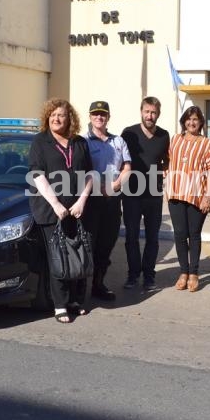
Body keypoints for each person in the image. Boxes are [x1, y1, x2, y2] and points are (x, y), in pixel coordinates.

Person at [28, 98, 93, 324]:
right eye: (53, 115)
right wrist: (56, 204)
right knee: (57, 257)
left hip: (77, 209)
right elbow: (37, 175)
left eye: (61, 115)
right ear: (48, 117)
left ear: (70, 119)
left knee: (78, 253)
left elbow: (89, 175)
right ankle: (59, 304)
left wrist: (82, 201)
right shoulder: (40, 142)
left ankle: (75, 300)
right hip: (49, 211)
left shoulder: (79, 143)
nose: (56, 118)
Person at [83, 100, 131, 301]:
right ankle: (80, 288)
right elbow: (81, 169)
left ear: (108, 117)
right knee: (89, 244)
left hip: (112, 199)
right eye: (95, 114)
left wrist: (116, 185)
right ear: (90, 117)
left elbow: (127, 167)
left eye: (103, 114)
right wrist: (98, 187)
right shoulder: (83, 141)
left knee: (107, 244)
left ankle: (98, 284)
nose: (99, 117)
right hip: (91, 200)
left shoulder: (118, 141)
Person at [121, 97, 170, 291]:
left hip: (153, 195)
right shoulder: (128, 133)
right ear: (141, 111)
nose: (150, 116)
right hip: (131, 194)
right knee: (131, 237)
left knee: (152, 237)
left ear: (158, 114)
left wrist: (163, 172)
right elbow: (120, 160)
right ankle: (133, 275)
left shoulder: (164, 136)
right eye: (147, 112)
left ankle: (149, 276)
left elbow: (167, 160)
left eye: (153, 113)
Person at [165, 106, 210, 292]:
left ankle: (194, 273)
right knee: (179, 235)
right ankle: (183, 272)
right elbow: (167, 162)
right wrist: (166, 182)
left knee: (193, 235)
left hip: (197, 195)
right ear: (183, 121)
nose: (191, 122)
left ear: (201, 122)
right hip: (176, 194)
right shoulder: (175, 140)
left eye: (195, 119)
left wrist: (208, 196)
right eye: (188, 119)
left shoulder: (207, 143)